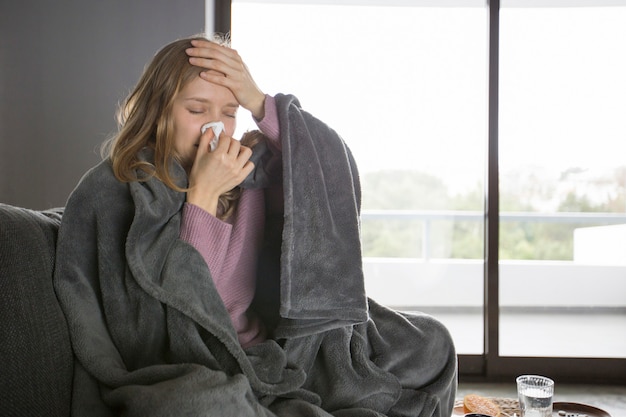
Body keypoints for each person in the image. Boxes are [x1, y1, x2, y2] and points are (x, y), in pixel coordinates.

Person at [53, 33, 457, 417]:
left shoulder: (251, 170)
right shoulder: (123, 187)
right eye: (196, 110)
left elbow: (328, 168)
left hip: (282, 351)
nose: (216, 128)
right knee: (195, 405)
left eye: (229, 112)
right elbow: (173, 320)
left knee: (431, 343)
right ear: (158, 112)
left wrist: (260, 102)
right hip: (204, 365)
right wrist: (203, 198)